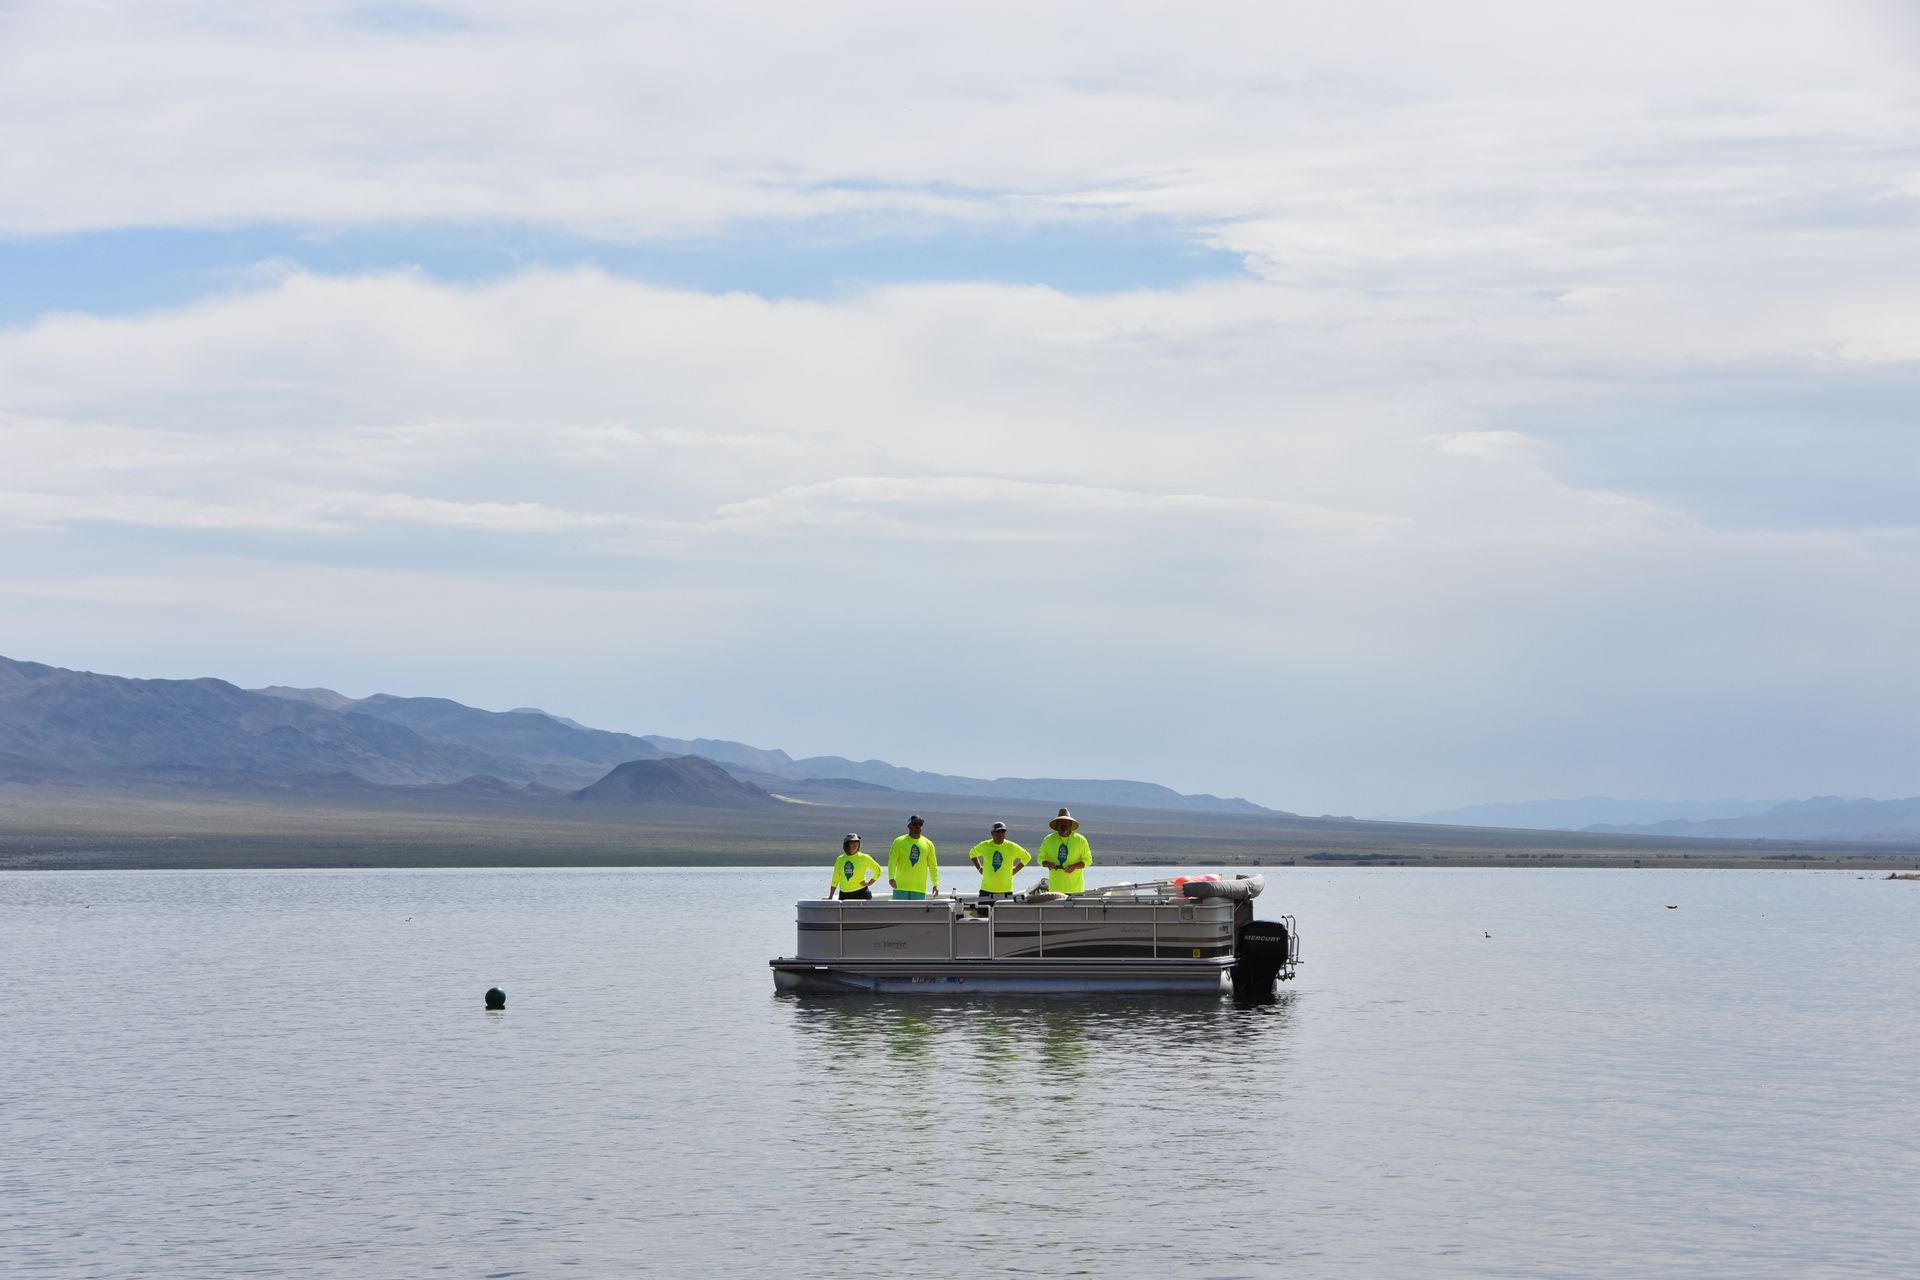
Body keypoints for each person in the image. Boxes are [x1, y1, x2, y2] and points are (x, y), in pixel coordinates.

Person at [1036, 807, 1093, 893]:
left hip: (1076, 890)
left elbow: (1088, 860)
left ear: (1070, 824)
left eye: (1066, 822)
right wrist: (1047, 863)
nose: (1063, 824)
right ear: (1057, 824)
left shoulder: (1080, 840)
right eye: (1061, 822)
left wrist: (1074, 866)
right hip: (1055, 890)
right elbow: (1040, 858)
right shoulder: (1048, 840)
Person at [968, 821, 1031, 899]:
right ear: (992, 833)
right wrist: (979, 868)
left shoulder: (1012, 847)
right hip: (987, 889)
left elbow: (1027, 857)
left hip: (1006, 890)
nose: (1001, 834)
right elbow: (972, 853)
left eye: (1003, 831)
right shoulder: (985, 845)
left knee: (1003, 911)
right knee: (983, 911)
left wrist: (1015, 870)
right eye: (998, 831)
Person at [888, 815, 939, 900]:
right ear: (909, 826)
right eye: (915, 824)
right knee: (899, 913)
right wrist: (891, 878)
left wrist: (935, 884)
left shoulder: (928, 844)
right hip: (900, 886)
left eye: (920, 824)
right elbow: (892, 861)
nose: (918, 826)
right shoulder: (899, 841)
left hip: (919, 888)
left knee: (918, 913)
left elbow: (933, 866)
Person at [828, 833, 880, 900]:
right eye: (852, 842)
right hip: (844, 894)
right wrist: (831, 896)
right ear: (846, 844)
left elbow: (878, 870)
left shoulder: (864, 857)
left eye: (857, 842)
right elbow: (835, 878)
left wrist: (869, 883)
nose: (855, 844)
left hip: (861, 893)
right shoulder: (840, 859)